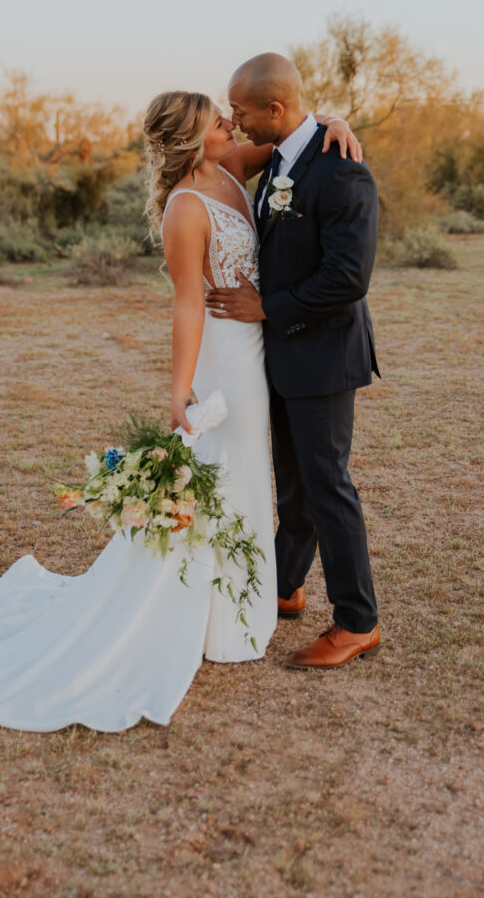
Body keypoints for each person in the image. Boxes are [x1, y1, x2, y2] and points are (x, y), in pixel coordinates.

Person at [0, 90, 359, 731]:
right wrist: (178, 390)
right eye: (221, 121)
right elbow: (187, 304)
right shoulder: (185, 207)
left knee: (251, 472)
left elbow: (296, 141)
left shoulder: (231, 168)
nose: (233, 124)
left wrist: (335, 122)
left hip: (259, 343)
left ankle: (245, 599)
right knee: (231, 468)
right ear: (197, 139)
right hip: (226, 354)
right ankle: (218, 611)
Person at [207, 53, 380, 668]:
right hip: (281, 357)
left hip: (324, 355)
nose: (237, 121)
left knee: (327, 485)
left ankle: (358, 621)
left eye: (243, 111)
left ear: (274, 109)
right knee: (296, 489)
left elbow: (348, 277)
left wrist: (267, 308)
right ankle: (283, 585)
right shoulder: (279, 159)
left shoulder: (341, 172)